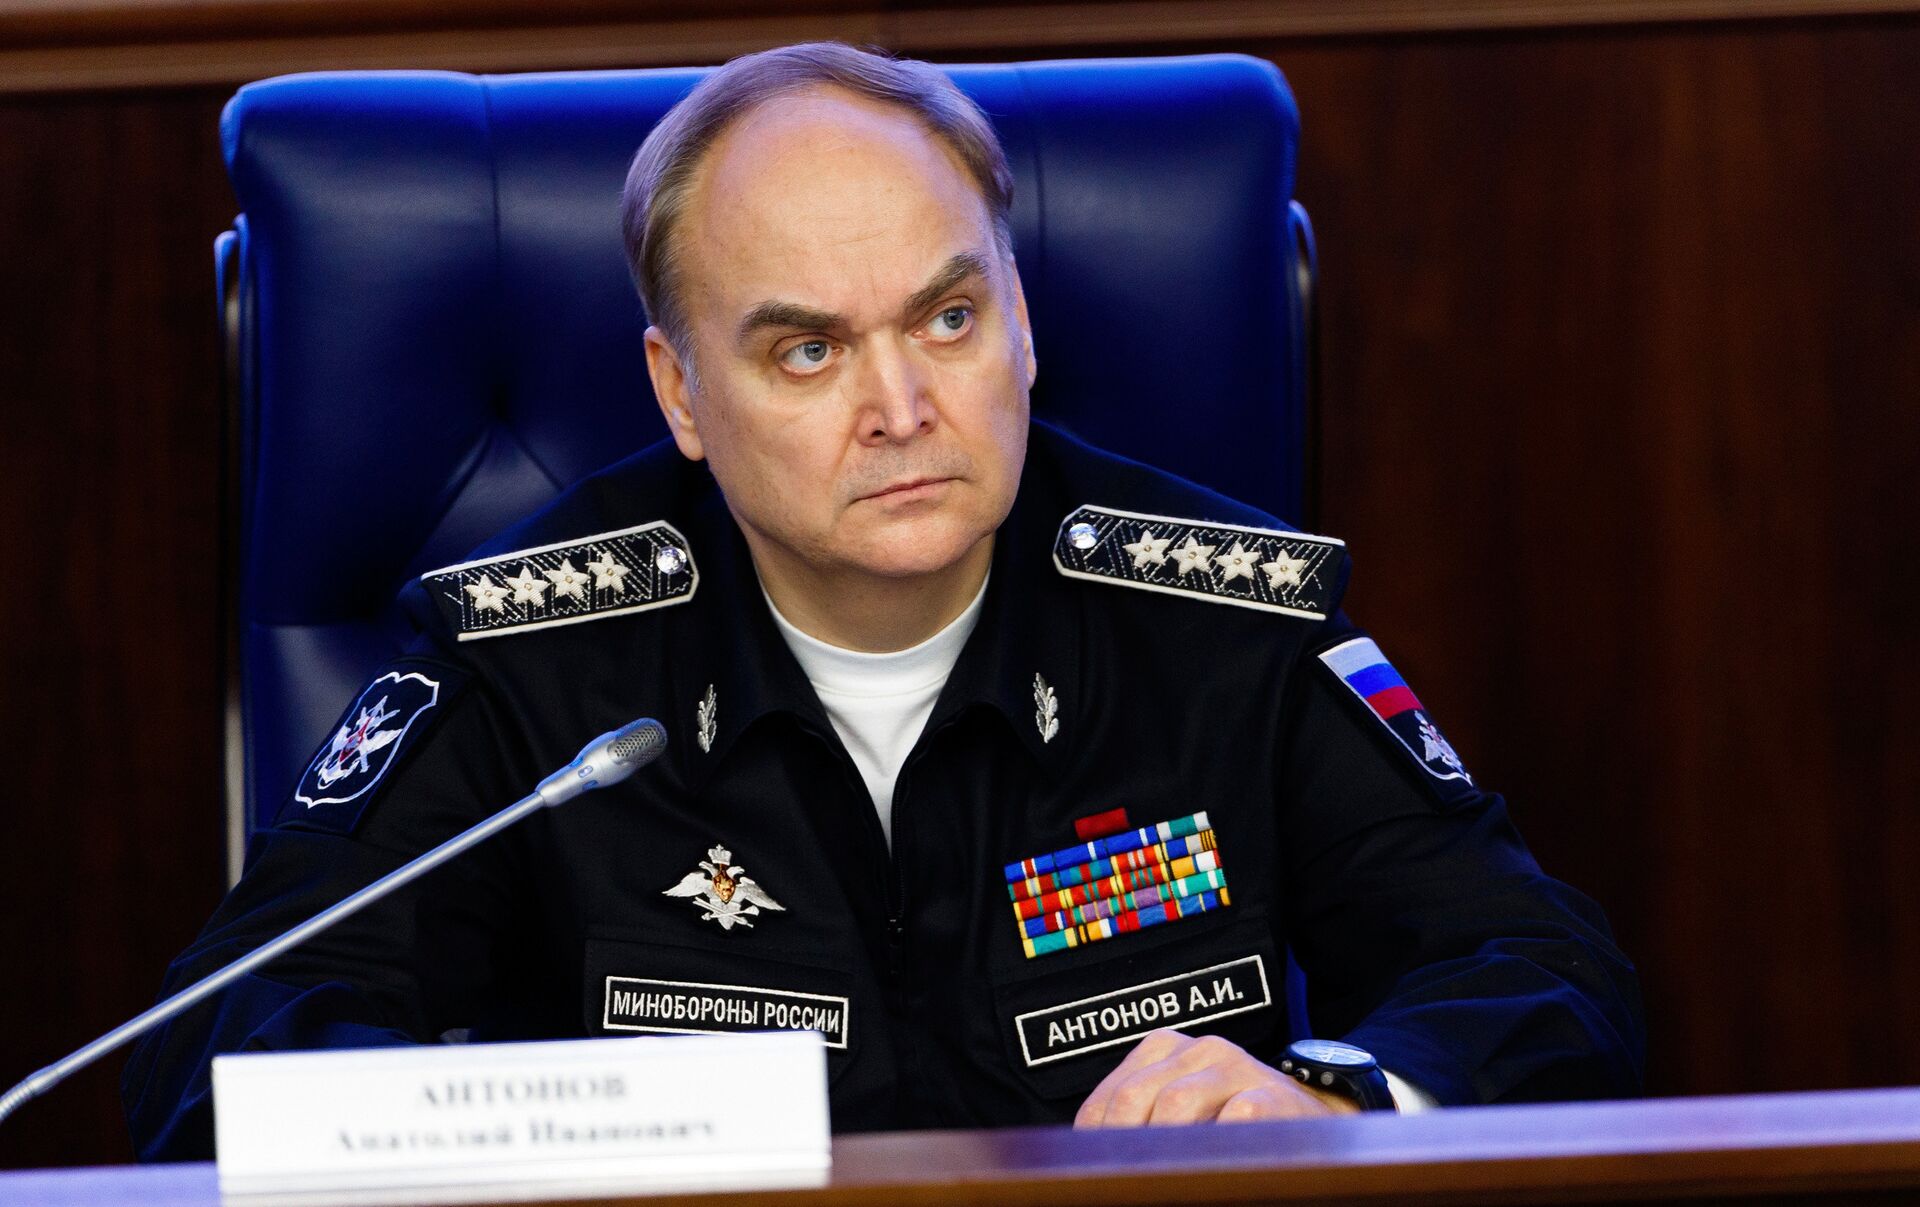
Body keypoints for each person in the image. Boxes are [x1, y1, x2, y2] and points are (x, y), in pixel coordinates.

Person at [123, 42, 1642, 1159]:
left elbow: (1544, 973)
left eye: (950, 317)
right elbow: (216, 1040)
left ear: (1022, 324)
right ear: (681, 394)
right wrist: (520, 1136)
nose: (904, 406)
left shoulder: (1225, 619)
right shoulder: (535, 663)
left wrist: (1333, 1093)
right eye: (808, 351)